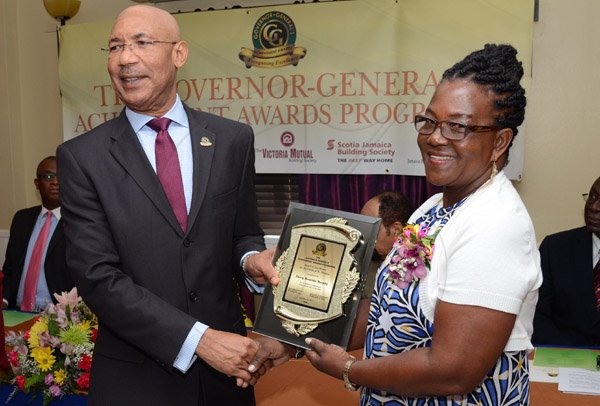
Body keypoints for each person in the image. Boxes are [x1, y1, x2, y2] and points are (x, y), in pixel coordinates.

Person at [56, 5, 285, 405]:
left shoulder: (232, 140)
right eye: (115, 47)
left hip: (227, 380)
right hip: (137, 382)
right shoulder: (82, 157)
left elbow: (241, 234)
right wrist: (199, 340)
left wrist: (251, 260)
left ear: (179, 54)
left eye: (142, 43)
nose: (126, 58)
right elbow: (98, 277)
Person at [304, 44, 543, 405]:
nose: (434, 136)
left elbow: (454, 370)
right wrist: (297, 333)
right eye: (429, 121)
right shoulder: (434, 206)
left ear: (499, 142)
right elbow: (389, 307)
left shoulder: (495, 224)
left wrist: (349, 369)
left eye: (457, 126)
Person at [532, 175, 600, 346]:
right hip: (564, 360)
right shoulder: (555, 248)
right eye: (592, 197)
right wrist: (573, 356)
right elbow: (536, 315)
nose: (593, 207)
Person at [2, 156, 74, 311]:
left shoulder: (79, 222)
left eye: (61, 176)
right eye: (48, 176)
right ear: (37, 183)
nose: (55, 182)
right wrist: (5, 300)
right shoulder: (22, 218)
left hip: (58, 316)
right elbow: (10, 267)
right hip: (16, 311)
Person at [360, 191, 413, 296]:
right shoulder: (364, 267)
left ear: (396, 230)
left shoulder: (416, 272)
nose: (363, 235)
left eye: (371, 228)